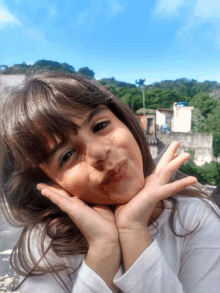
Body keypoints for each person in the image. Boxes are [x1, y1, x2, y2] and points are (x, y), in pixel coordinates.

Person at [0, 71, 219, 293]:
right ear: (52, 185)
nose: (99, 152)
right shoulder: (47, 244)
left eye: (100, 126)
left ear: (124, 121)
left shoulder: (194, 217)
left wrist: (133, 230)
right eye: (67, 155)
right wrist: (103, 251)